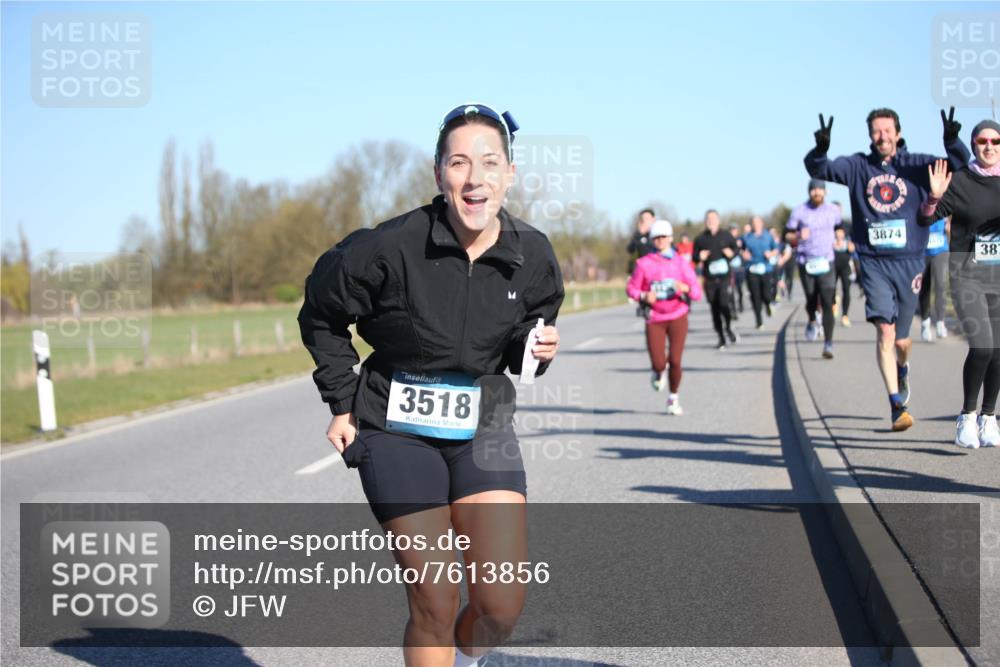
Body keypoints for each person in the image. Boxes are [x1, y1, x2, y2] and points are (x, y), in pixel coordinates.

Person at [298, 102, 564, 666]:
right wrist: (342, 402)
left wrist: (537, 349)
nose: (476, 179)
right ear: (438, 172)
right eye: (460, 163)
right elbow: (320, 313)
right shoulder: (387, 248)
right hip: (395, 430)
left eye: (490, 163)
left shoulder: (533, 253)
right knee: (437, 597)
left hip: (483, 426)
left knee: (500, 605)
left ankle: (467, 661)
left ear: (509, 175)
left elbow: (525, 334)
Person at [805, 107, 970, 430]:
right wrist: (820, 149)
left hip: (910, 261)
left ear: (897, 132)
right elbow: (818, 167)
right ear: (870, 135)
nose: (882, 136)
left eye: (887, 130)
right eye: (876, 131)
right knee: (884, 330)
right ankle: (896, 405)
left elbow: (962, 167)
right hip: (874, 262)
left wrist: (952, 141)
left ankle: (902, 369)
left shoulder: (918, 164)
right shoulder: (857, 167)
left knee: (902, 342)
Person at [920, 119, 1000, 449]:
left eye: (996, 141)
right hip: (967, 276)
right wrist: (934, 198)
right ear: (973, 144)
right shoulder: (962, 181)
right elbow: (925, 219)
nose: (989, 146)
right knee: (982, 346)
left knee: (999, 351)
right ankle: (966, 416)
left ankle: (989, 417)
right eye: (982, 141)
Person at [626, 219, 703, 414]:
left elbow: (697, 292)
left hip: (678, 315)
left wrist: (685, 288)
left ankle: (673, 398)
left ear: (670, 238)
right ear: (653, 240)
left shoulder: (681, 263)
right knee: (660, 363)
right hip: (655, 318)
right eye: (657, 237)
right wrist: (644, 295)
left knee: (675, 360)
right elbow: (631, 288)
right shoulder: (644, 264)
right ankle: (658, 372)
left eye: (664, 237)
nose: (660, 241)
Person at [787, 179, 841, 358]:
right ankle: (811, 319)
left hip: (827, 260)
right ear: (809, 192)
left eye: (820, 189)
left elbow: (839, 228)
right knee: (811, 299)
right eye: (813, 190)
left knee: (827, 301)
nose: (817, 192)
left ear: (825, 192)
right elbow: (787, 235)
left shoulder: (833, 211)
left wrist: (840, 236)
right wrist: (797, 235)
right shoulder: (799, 211)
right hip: (806, 262)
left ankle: (828, 344)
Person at [693, 209, 740, 349]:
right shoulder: (700, 239)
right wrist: (699, 257)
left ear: (718, 221)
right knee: (714, 308)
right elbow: (694, 257)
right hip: (710, 279)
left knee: (724, 304)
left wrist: (731, 253)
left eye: (713, 219)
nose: (711, 222)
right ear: (705, 221)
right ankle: (721, 337)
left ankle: (729, 327)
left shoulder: (726, 235)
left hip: (725, 277)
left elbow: (736, 249)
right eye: (708, 219)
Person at [741, 215, 780, 329]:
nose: (756, 225)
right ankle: (759, 321)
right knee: (755, 296)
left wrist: (771, 254)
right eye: (753, 223)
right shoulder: (746, 237)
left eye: (758, 222)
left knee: (766, 294)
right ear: (751, 225)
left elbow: (776, 249)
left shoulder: (768, 236)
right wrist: (743, 254)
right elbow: (740, 249)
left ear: (762, 223)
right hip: (752, 269)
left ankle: (768, 304)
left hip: (766, 268)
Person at [919, 216, 950, 342]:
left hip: (940, 250)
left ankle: (940, 322)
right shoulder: (920, 201)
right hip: (922, 252)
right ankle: (925, 323)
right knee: (924, 288)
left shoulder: (944, 202)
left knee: (941, 285)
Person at [832, 225, 856, 327]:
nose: (838, 234)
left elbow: (853, 249)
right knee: (831, 288)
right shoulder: (831, 243)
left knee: (846, 290)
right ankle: (834, 302)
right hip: (833, 268)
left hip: (845, 268)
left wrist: (851, 246)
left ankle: (845, 315)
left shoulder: (848, 242)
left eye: (840, 232)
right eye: (837, 232)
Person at [728, 225, 747, 316]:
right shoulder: (726, 241)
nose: (733, 232)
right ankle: (733, 310)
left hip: (740, 269)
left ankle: (740, 304)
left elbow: (747, 250)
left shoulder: (741, 240)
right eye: (731, 230)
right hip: (731, 269)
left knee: (739, 289)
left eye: (735, 230)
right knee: (731, 290)